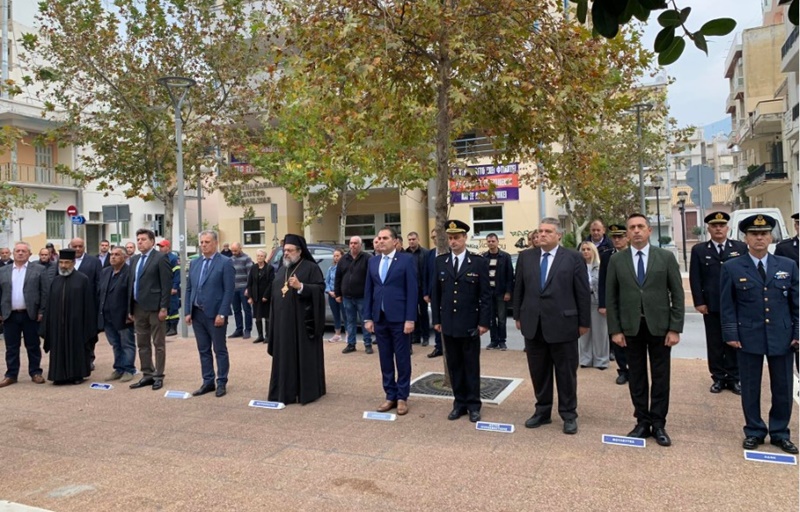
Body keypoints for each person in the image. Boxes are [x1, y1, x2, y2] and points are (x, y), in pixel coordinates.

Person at [721, 213, 799, 454]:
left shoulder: (787, 265)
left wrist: (797, 331)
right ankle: (754, 430)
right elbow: (727, 305)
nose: (759, 238)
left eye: (764, 233)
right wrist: (731, 334)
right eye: (754, 234)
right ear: (745, 238)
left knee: (783, 387)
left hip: (782, 336)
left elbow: (796, 303)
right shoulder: (732, 267)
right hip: (748, 336)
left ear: (771, 237)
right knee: (751, 387)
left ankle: (780, 432)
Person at [605, 213, 684, 447]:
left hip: (659, 327)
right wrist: (615, 330)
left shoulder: (666, 258)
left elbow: (677, 295)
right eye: (632, 228)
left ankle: (658, 423)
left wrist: (675, 328)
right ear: (627, 233)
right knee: (637, 377)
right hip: (630, 328)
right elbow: (611, 298)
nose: (636, 231)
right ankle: (641, 421)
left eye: (641, 227)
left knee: (661, 377)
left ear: (649, 230)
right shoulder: (617, 261)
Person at [513, 217, 590, 435]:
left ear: (558, 235)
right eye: (540, 231)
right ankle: (542, 411)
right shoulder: (526, 257)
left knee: (566, 373)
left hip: (564, 325)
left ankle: (568, 414)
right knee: (539, 372)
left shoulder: (573, 258)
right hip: (533, 325)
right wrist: (518, 315)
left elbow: (582, 292)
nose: (542, 235)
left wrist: (584, 322)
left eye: (548, 231)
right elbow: (518, 287)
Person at [431, 220, 490, 423]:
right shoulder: (441, 262)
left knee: (471, 366)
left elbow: (485, 295)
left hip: (470, 323)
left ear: (465, 238)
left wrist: (484, 323)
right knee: (455, 366)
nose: (453, 241)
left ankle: (474, 405)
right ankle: (459, 403)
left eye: (457, 238)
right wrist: (436, 320)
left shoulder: (478, 262)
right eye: (450, 238)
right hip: (449, 323)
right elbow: (436, 294)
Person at [689, 211, 747, 395]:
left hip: (735, 304)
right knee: (714, 343)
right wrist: (699, 301)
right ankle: (718, 378)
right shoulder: (699, 250)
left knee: (734, 341)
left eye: (721, 225)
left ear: (727, 228)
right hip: (711, 305)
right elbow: (695, 278)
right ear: (709, 229)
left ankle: (734, 377)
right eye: (714, 226)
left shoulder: (740, 248)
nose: (718, 228)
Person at [364, 226, 417, 416]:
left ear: (395, 241)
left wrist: (410, 318)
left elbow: (412, 291)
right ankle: (390, 395)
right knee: (385, 359)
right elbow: (369, 291)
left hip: (400, 318)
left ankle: (402, 397)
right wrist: (368, 317)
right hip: (380, 318)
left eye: (385, 238)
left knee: (402, 359)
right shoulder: (373, 261)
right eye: (379, 238)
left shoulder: (406, 260)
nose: (381, 241)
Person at [267, 234, 326, 405]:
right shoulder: (282, 269)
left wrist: (301, 287)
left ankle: (303, 391)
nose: (286, 253)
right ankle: (284, 390)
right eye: (284, 250)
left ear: (300, 251)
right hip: (282, 324)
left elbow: (320, 289)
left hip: (302, 324)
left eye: (290, 250)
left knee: (302, 356)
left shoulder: (310, 268)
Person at [185, 230, 235, 398]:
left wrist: (222, 313)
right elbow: (190, 288)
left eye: (207, 242)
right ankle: (208, 382)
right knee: (203, 349)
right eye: (202, 242)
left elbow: (229, 290)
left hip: (215, 314)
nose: (204, 245)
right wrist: (187, 311)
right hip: (197, 313)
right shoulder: (195, 263)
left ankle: (221, 382)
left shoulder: (225, 263)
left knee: (219, 349)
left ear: (215, 243)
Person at [128, 228, 173, 391]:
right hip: (138, 307)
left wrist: (164, 307)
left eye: (143, 239)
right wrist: (130, 308)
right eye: (138, 239)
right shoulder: (134, 260)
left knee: (158, 343)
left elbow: (166, 284)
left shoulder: (160, 258)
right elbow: (131, 284)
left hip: (155, 308)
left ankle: (159, 376)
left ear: (152, 242)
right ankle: (147, 373)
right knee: (142, 343)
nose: (140, 242)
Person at [0, 242, 49, 387]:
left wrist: (42, 311)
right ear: (13, 253)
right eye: (18, 251)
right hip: (10, 314)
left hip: (31, 314)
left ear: (29, 254)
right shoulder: (3, 271)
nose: (20, 253)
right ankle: (11, 375)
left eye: (24, 251)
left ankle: (35, 372)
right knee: (11, 347)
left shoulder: (39, 270)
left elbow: (45, 292)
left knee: (33, 345)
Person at [43, 249, 94, 384]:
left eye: (66, 262)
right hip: (57, 324)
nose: (64, 266)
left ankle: (77, 375)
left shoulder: (83, 279)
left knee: (76, 348)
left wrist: (88, 324)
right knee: (58, 348)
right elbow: (49, 304)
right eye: (61, 262)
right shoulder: (55, 281)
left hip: (76, 324)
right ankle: (58, 376)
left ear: (73, 263)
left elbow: (88, 304)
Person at [597, 223, 630, 384]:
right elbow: (602, 281)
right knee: (616, 338)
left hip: (631, 303)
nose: (617, 240)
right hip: (614, 303)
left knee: (633, 337)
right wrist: (603, 304)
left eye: (620, 237)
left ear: (627, 237)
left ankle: (635, 368)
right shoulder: (606, 255)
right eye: (614, 237)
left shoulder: (633, 254)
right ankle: (623, 370)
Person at [97, 246, 136, 382]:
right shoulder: (105, 272)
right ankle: (118, 368)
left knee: (127, 344)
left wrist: (131, 312)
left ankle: (129, 369)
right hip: (107, 316)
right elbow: (100, 292)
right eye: (111, 254)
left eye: (117, 255)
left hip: (123, 315)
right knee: (115, 344)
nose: (113, 257)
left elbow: (132, 294)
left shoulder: (130, 272)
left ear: (124, 258)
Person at [334, 236, 374, 354]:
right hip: (347, 297)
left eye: (355, 243)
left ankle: (368, 344)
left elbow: (372, 277)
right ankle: (351, 344)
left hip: (362, 296)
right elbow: (338, 277)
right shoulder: (343, 259)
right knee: (349, 321)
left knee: (365, 321)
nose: (353, 245)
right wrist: (338, 293)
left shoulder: (367, 258)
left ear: (360, 245)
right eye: (351, 243)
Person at [71, 237, 102, 369]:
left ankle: (89, 358)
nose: (78, 249)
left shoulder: (94, 261)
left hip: (88, 304)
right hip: (70, 305)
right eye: (75, 246)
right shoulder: (64, 261)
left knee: (89, 333)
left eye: (80, 246)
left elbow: (99, 283)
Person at [577, 241, 608, 369]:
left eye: (588, 249)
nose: (585, 252)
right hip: (582, 302)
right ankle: (585, 359)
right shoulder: (577, 267)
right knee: (584, 332)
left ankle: (601, 360)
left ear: (593, 251)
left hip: (597, 301)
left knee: (600, 332)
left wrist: (604, 304)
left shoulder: (601, 267)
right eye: (583, 249)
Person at [482, 233, 514, 350]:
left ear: (497, 242)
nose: (491, 243)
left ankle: (502, 341)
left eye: (493, 241)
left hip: (501, 292)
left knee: (501, 318)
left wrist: (508, 292)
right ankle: (493, 340)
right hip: (488, 293)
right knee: (491, 318)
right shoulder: (484, 257)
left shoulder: (505, 257)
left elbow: (510, 276)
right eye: (489, 241)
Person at [406, 231, 430, 347]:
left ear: (418, 239)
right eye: (409, 239)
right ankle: (416, 336)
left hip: (422, 288)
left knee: (423, 313)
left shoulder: (426, 253)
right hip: (410, 289)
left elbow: (428, 273)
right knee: (412, 313)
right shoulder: (405, 254)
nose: (411, 241)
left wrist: (427, 291)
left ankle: (425, 337)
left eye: (413, 239)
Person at [423, 228, 445, 358]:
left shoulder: (449, 252)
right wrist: (426, 293)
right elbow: (425, 274)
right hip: (434, 294)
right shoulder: (430, 254)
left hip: (448, 293)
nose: (434, 239)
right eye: (432, 237)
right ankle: (438, 347)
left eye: (436, 236)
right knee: (437, 320)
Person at [246, 249, 275, 344]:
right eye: (258, 256)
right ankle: (260, 336)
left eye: (261, 256)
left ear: (265, 257)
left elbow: (271, 283)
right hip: (256, 296)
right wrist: (250, 296)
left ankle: (268, 336)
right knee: (257, 317)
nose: (259, 258)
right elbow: (249, 283)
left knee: (267, 317)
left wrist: (266, 295)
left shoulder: (269, 268)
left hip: (266, 296)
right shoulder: (253, 268)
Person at [157, 239, 181, 337]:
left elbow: (177, 273)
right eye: (159, 247)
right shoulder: (159, 258)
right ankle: (166, 327)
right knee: (164, 307)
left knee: (173, 307)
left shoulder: (173, 258)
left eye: (162, 246)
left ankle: (173, 328)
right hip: (163, 288)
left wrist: (175, 286)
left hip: (171, 287)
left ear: (168, 247)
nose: (160, 248)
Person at [229, 242, 253, 339]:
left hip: (244, 287)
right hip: (234, 288)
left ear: (240, 248)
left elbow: (250, 275)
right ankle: (239, 329)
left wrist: (248, 288)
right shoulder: (230, 259)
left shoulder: (247, 258)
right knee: (236, 310)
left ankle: (247, 330)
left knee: (247, 309)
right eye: (232, 251)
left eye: (235, 250)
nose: (234, 252)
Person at [325, 249, 346, 342]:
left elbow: (345, 282)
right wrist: (329, 291)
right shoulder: (331, 268)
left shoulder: (345, 268)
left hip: (342, 295)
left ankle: (348, 334)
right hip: (332, 294)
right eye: (334, 256)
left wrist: (339, 293)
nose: (336, 258)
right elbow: (327, 281)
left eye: (338, 256)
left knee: (346, 314)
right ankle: (337, 334)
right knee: (335, 314)